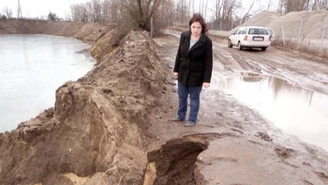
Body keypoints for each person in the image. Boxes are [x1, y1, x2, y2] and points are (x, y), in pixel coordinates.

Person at [171, 13, 213, 127]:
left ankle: (192, 119)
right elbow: (179, 53)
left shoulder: (206, 42)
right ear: (190, 26)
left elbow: (209, 62)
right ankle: (180, 115)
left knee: (194, 98)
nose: (195, 30)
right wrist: (176, 69)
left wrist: (206, 79)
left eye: (198, 27)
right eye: (193, 27)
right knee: (182, 95)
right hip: (183, 72)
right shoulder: (184, 36)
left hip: (197, 74)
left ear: (202, 28)